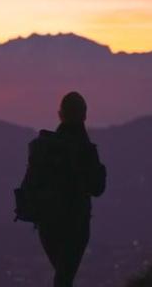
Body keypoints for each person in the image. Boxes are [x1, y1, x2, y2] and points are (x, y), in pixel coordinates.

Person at [19, 92, 106, 287]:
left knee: (62, 275)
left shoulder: (44, 147)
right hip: (75, 223)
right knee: (65, 278)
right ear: (84, 115)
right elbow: (98, 188)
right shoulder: (85, 150)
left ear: (60, 114)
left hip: (47, 223)